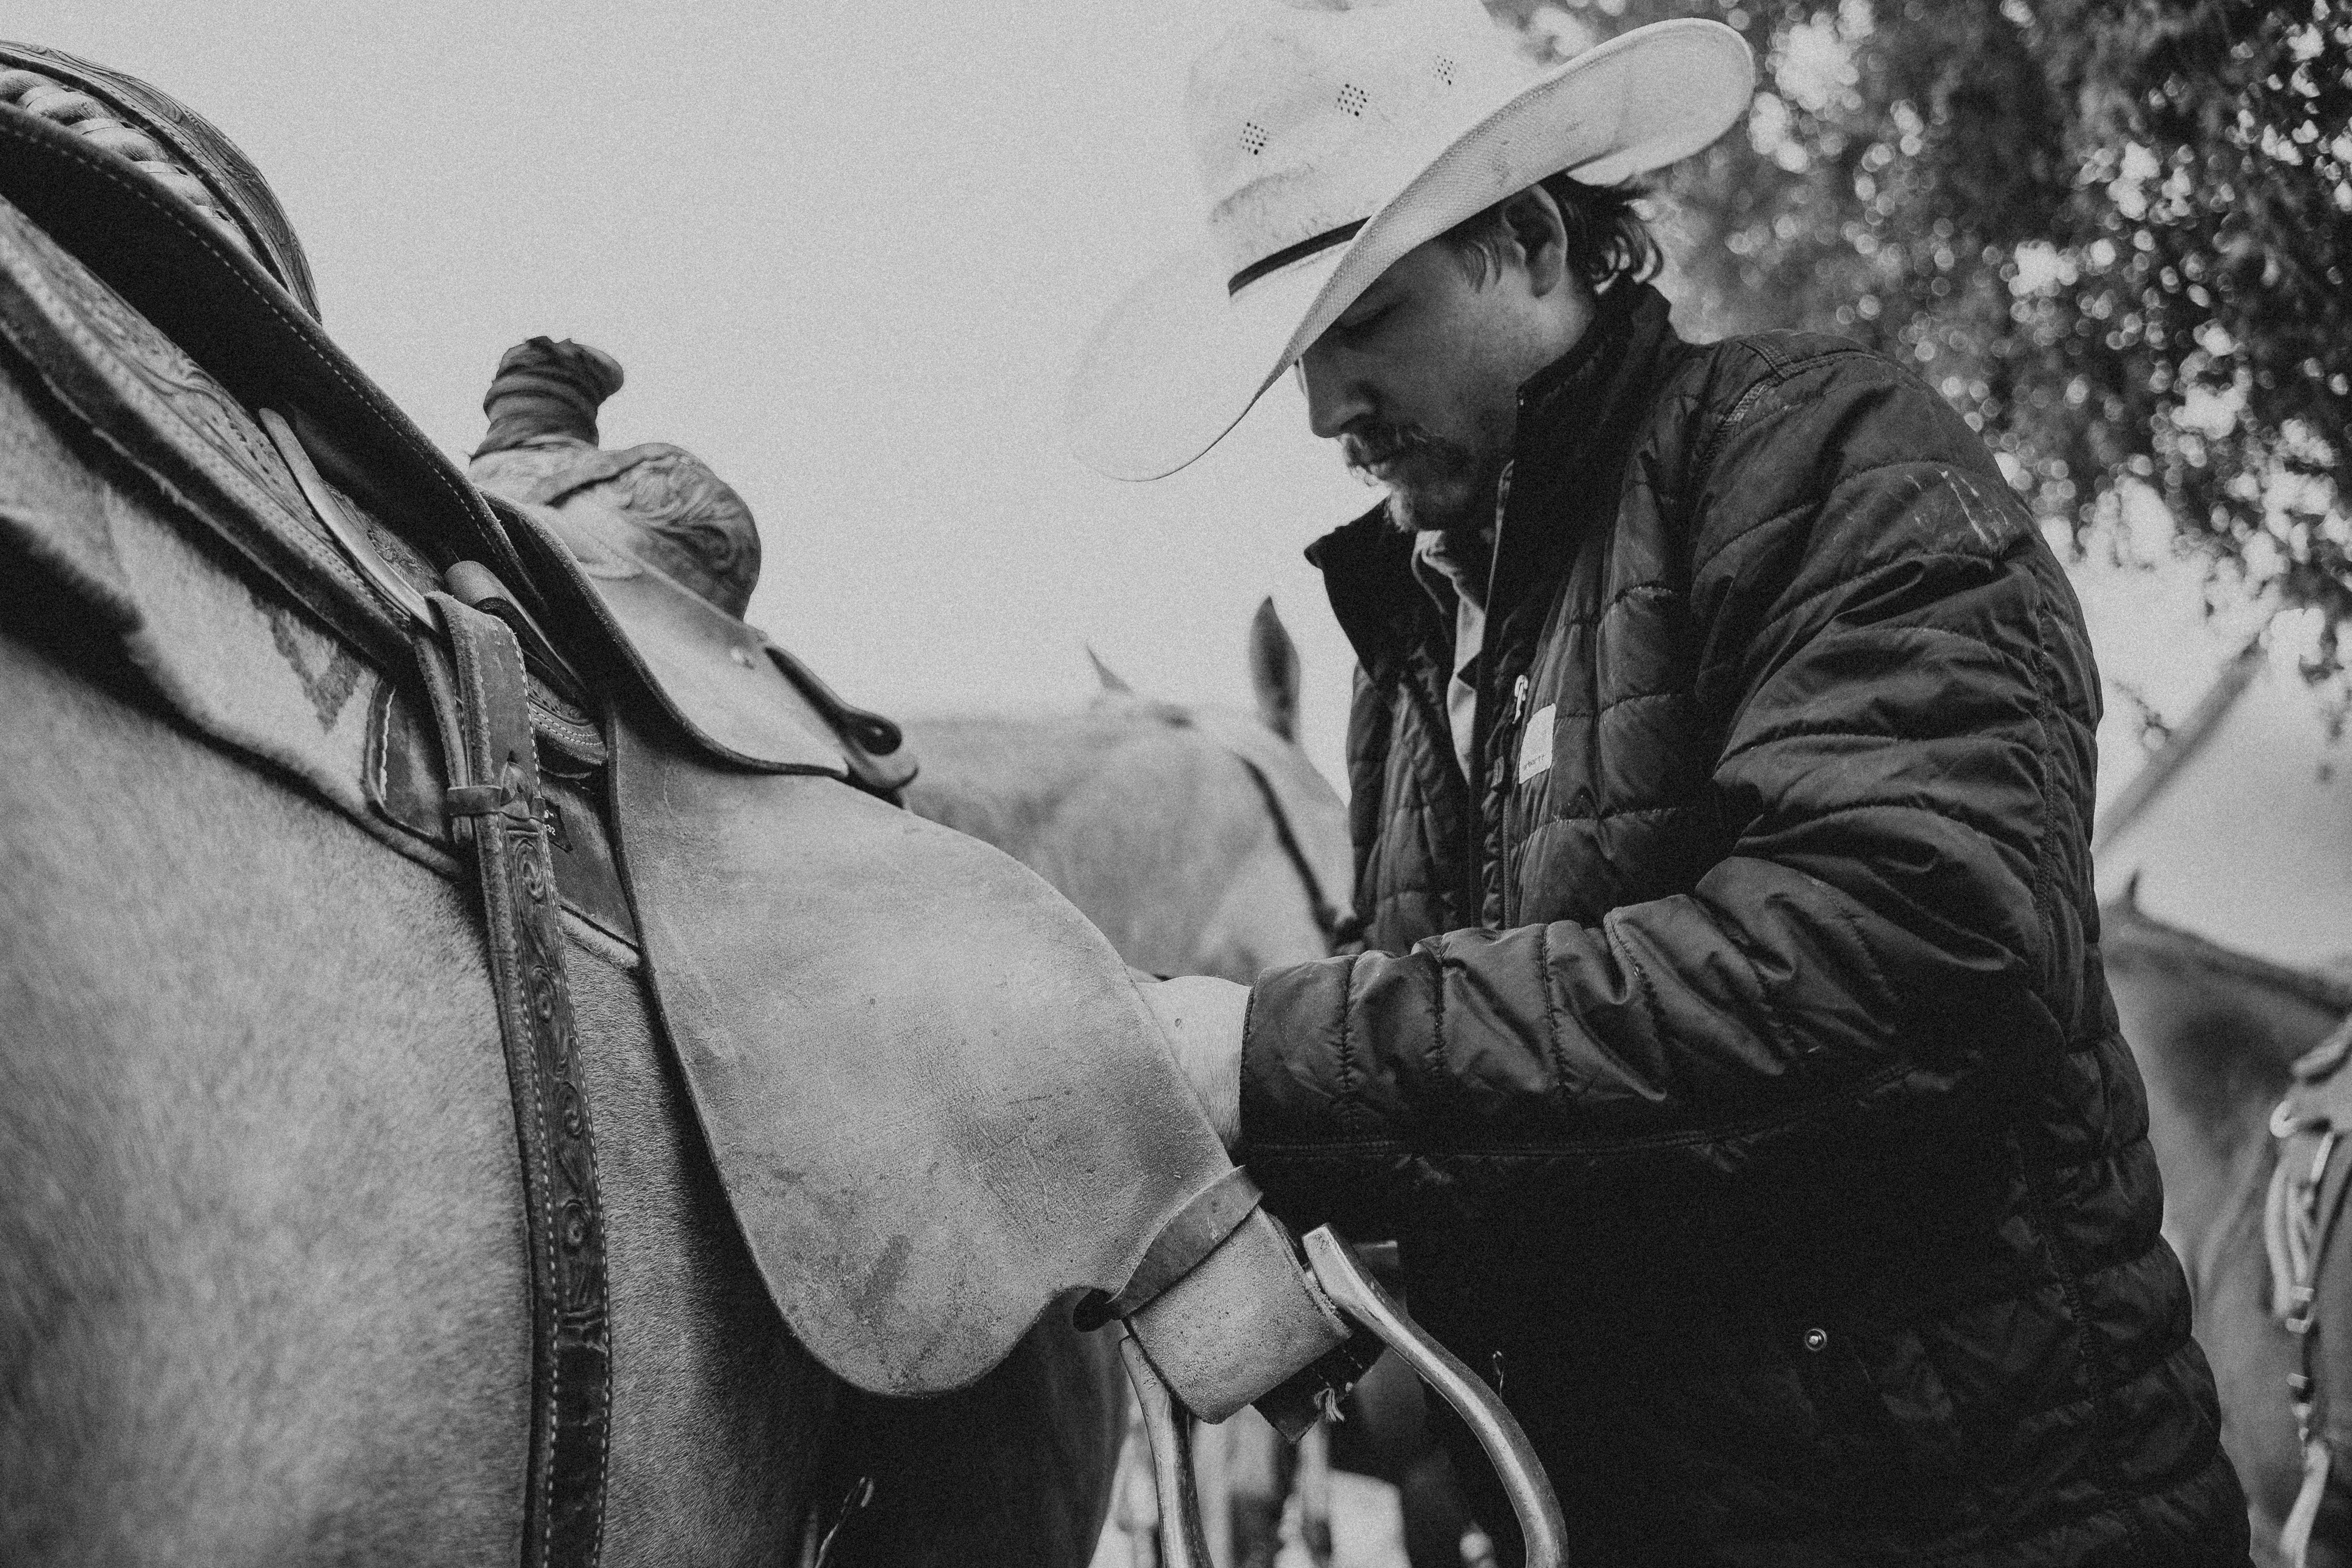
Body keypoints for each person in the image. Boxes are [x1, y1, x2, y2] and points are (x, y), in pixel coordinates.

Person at [1079, 2, 2251, 1562]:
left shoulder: (1823, 453)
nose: (1321, 408)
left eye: (1364, 321)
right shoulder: (1413, 656)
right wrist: (1299, 1248)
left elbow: (1901, 965)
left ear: (1536, 239)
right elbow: (1515, 1112)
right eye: (1302, 350)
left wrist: (1271, 1054)